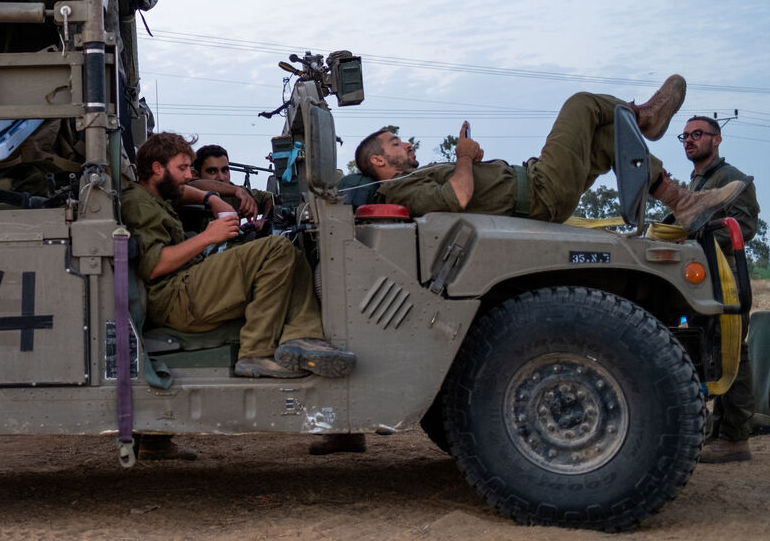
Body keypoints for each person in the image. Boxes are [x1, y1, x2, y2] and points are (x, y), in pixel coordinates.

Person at [353, 77, 746, 231]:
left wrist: (469, 160)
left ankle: (682, 202)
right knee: (581, 105)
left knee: (608, 137)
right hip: (540, 193)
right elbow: (457, 196)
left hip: (538, 183)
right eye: (394, 144)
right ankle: (644, 117)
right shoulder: (397, 192)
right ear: (379, 162)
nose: (405, 144)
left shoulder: (408, 179)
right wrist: (465, 157)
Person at [121, 132, 355, 379]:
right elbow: (154, 266)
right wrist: (209, 236)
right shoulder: (138, 203)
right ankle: (255, 352)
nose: (189, 176)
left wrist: (212, 199)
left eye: (189, 168)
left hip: (184, 286)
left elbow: (188, 190)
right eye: (182, 168)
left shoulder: (158, 193)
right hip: (171, 298)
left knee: (292, 253)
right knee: (275, 249)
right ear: (157, 168)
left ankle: (303, 337)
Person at [673, 116, 760, 463]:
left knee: (732, 354)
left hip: (726, 280)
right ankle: (719, 430)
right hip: (703, 280)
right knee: (711, 353)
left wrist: (692, 238)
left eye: (698, 134)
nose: (689, 140)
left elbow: (746, 226)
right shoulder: (698, 181)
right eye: (686, 135)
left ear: (717, 139)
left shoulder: (733, 179)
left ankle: (736, 437)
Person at [191, 144, 275, 220]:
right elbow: (193, 185)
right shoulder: (186, 192)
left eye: (225, 171)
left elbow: (269, 198)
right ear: (195, 175)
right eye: (212, 172)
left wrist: (264, 220)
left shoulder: (237, 194)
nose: (221, 178)